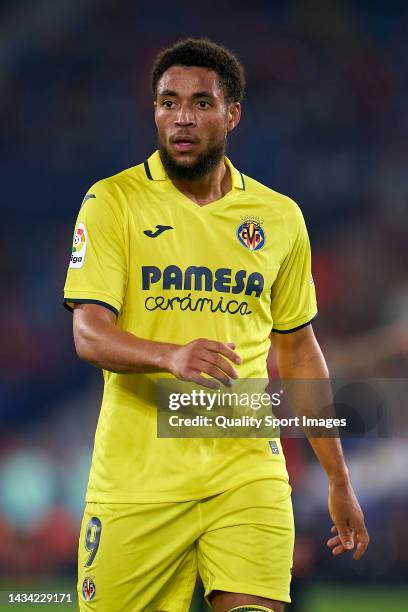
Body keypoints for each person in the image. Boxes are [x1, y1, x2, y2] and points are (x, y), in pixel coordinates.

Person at [64, 38, 369, 612]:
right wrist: (169, 356)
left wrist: (338, 477)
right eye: (168, 101)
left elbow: (300, 351)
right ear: (153, 110)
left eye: (202, 103)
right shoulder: (113, 202)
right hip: (139, 480)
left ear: (232, 114)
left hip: (247, 471)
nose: (182, 117)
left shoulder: (279, 218)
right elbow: (88, 333)